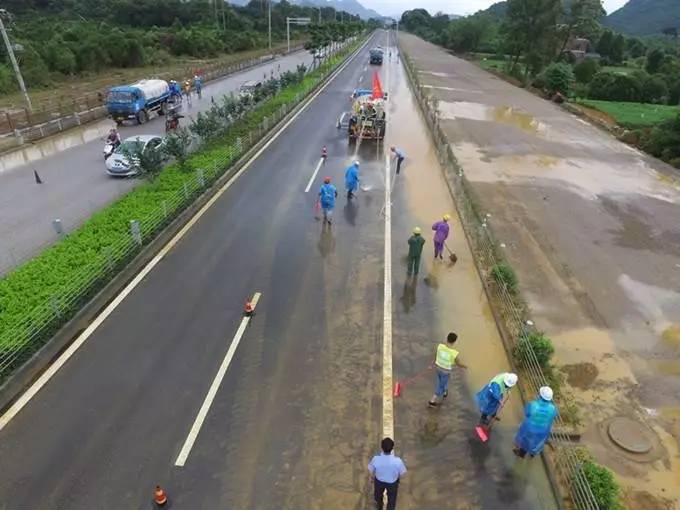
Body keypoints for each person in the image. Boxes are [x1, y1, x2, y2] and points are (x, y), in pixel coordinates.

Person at [513, 386, 558, 458]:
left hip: (530, 429)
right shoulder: (553, 408)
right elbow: (554, 415)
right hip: (543, 431)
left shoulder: (533, 404)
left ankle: (522, 454)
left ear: (540, 395)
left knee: (526, 442)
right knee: (537, 443)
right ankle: (532, 454)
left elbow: (527, 413)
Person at [428, 332, 467, 407]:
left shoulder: (440, 346)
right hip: (445, 372)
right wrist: (465, 366)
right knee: (440, 386)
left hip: (438, 368)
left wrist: (431, 365)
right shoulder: (454, 353)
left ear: (447, 339)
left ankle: (445, 391)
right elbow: (459, 364)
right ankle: (432, 400)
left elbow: (435, 356)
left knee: (441, 381)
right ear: (455, 341)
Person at [368, 437, 406, 510]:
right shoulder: (398, 461)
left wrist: (372, 478)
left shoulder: (376, 459)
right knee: (391, 501)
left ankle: (379, 507)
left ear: (382, 448)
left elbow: (370, 470)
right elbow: (402, 473)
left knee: (378, 497)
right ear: (392, 448)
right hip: (392, 483)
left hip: (379, 481)